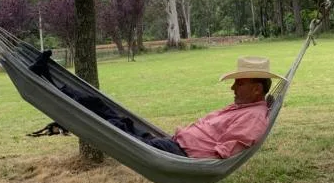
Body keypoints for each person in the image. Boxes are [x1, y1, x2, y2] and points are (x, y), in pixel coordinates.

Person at [30, 52, 284, 159]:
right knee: (105, 110)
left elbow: (220, 155)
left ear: (256, 89)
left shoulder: (252, 118)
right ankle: (49, 80)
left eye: (238, 84)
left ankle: (48, 83)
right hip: (171, 144)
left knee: (110, 123)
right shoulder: (242, 109)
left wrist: (184, 164)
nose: (232, 88)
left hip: (174, 153)